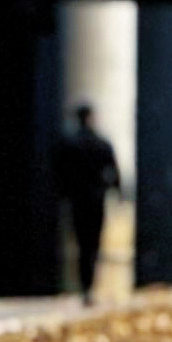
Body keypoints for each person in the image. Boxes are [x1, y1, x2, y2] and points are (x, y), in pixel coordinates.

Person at [51, 101, 122, 295]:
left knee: (81, 242)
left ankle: (85, 285)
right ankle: (89, 284)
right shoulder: (102, 144)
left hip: (77, 199)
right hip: (96, 199)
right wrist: (116, 194)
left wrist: (62, 195)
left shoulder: (69, 144)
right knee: (93, 242)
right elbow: (114, 173)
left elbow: (59, 174)